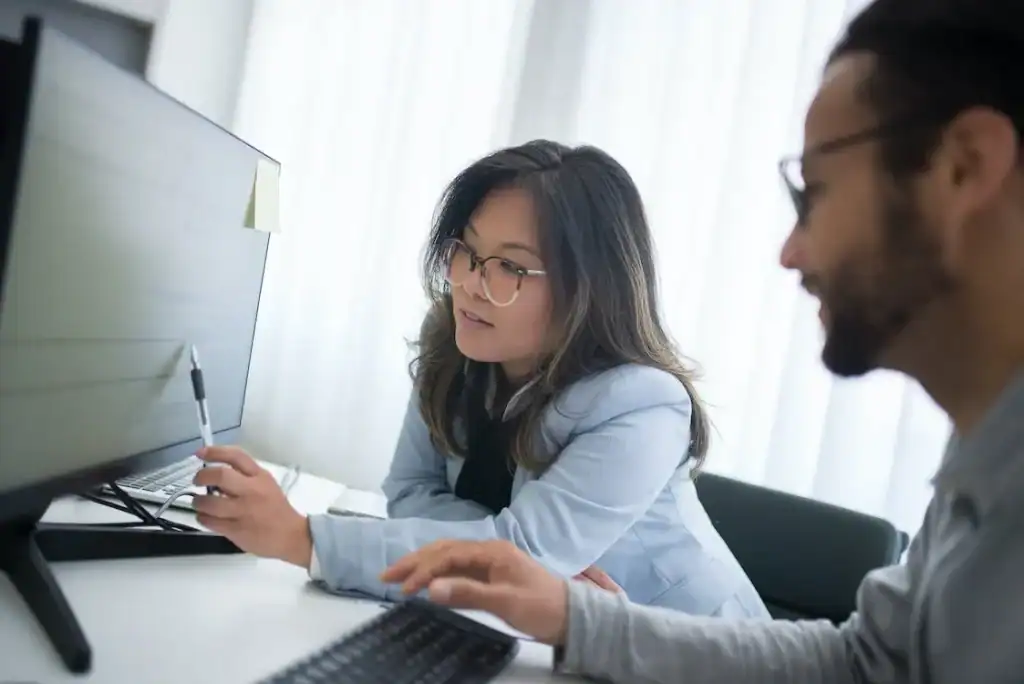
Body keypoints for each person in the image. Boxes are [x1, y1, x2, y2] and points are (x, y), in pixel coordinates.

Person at [379, 0, 1024, 682]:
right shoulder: (983, 447)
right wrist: (576, 619)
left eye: (815, 194)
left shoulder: (635, 398)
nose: (790, 252)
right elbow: (866, 664)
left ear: (964, 166)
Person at [190, 140, 767, 616]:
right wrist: (514, 552)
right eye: (466, 251)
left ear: (589, 288)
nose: (469, 283)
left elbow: (521, 554)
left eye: (510, 266)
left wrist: (303, 538)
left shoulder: (643, 404)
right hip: (538, 639)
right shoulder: (453, 336)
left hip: (695, 654)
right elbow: (410, 493)